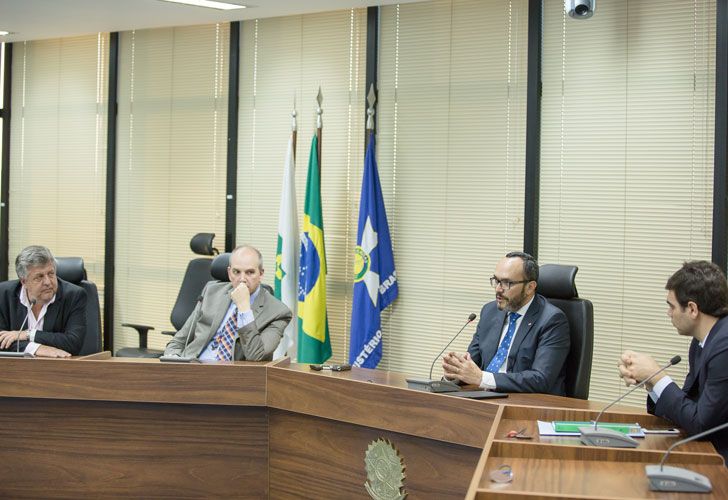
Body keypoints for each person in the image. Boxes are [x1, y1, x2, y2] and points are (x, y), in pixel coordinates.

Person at [619, 260, 728, 463]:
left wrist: (658, 375)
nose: (668, 313)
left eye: (672, 306)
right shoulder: (702, 341)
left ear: (692, 309)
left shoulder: (724, 347)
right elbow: (688, 407)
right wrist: (651, 381)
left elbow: (701, 424)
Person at [442, 251, 571, 395]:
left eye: (507, 283)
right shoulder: (490, 311)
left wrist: (483, 378)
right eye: (496, 281)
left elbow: (540, 379)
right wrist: (455, 373)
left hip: (526, 404)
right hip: (487, 398)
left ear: (530, 287)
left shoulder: (552, 320)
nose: (498, 289)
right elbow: (474, 364)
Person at [164, 245, 292, 361]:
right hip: (193, 368)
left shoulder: (278, 312)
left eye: (250, 272)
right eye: (237, 272)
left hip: (233, 378)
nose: (242, 279)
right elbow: (179, 340)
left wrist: (244, 309)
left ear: (261, 274)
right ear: (229, 273)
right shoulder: (211, 292)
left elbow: (256, 356)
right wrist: (174, 360)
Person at [0, 245, 87, 357]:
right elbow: (2, 340)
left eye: (51, 274)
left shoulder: (74, 296)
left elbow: (73, 343)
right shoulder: (3, 294)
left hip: (58, 368)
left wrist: (29, 334)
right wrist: (36, 348)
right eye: (39, 277)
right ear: (24, 281)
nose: (47, 282)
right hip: (16, 370)